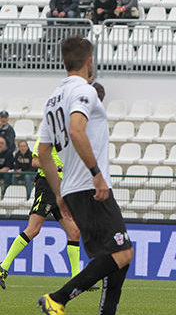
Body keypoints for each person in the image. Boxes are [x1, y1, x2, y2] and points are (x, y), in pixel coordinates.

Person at [36, 36, 133, 315]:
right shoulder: (85, 91)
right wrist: (97, 175)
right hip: (89, 186)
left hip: (73, 188)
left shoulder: (53, 99)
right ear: (89, 61)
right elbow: (77, 129)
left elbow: (43, 153)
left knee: (117, 256)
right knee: (123, 253)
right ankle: (58, 298)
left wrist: (58, 192)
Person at [0, 137, 83, 291]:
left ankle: (76, 279)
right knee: (33, 229)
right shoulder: (47, 135)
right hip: (47, 186)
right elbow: (36, 162)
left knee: (75, 232)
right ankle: (3, 267)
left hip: (61, 189)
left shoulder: (67, 138)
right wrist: (59, 168)